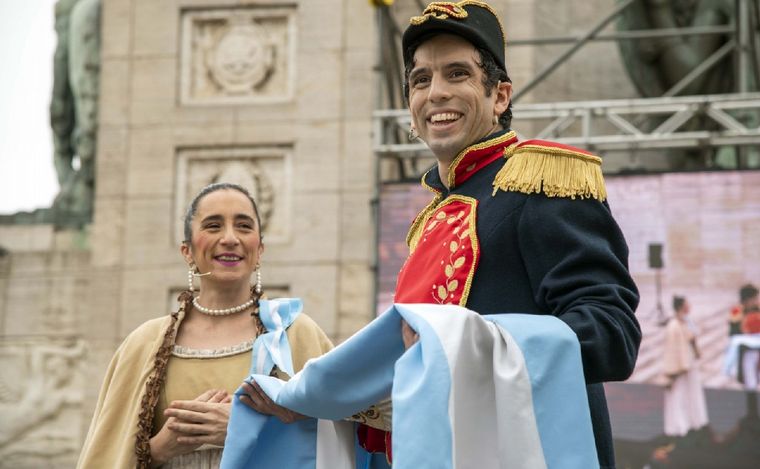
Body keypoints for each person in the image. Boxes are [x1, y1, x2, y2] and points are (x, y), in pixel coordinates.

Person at [364, 2, 642, 468]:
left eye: (457, 74)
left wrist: (474, 344)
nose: (435, 93)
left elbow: (611, 334)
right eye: (420, 79)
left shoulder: (538, 181)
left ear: (500, 95)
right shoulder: (430, 219)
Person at [76, 183, 333, 468]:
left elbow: (342, 436)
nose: (230, 238)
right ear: (187, 251)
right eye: (213, 226)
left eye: (244, 226)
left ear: (259, 250)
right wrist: (160, 448)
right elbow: (106, 454)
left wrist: (244, 429)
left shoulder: (296, 335)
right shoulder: (143, 344)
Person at [662, 296, 708, 437]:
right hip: (680, 367)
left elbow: (692, 339)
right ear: (682, 306)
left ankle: (693, 421)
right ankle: (678, 425)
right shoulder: (673, 325)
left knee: (691, 393)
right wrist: (673, 372)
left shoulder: (687, 321)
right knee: (678, 395)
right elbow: (671, 350)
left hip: (689, 364)